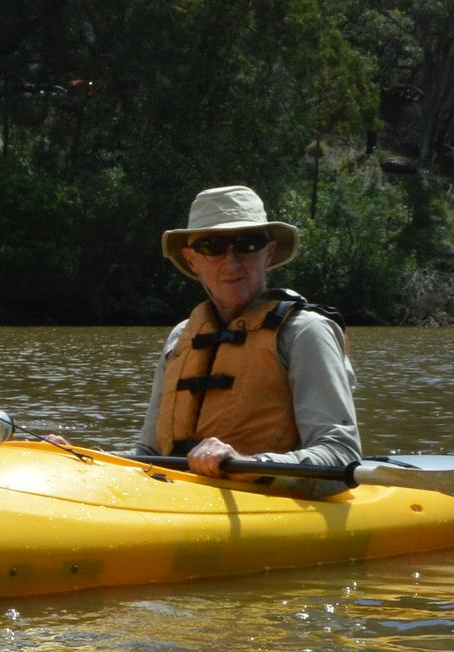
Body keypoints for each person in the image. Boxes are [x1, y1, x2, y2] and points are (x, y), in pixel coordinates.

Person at [129, 184, 361, 478]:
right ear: (192, 260)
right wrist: (76, 459)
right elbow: (148, 454)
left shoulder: (305, 333)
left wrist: (248, 462)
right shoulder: (180, 337)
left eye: (248, 244)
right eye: (212, 247)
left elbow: (342, 455)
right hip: (179, 499)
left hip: (265, 506)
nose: (232, 262)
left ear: (269, 252)